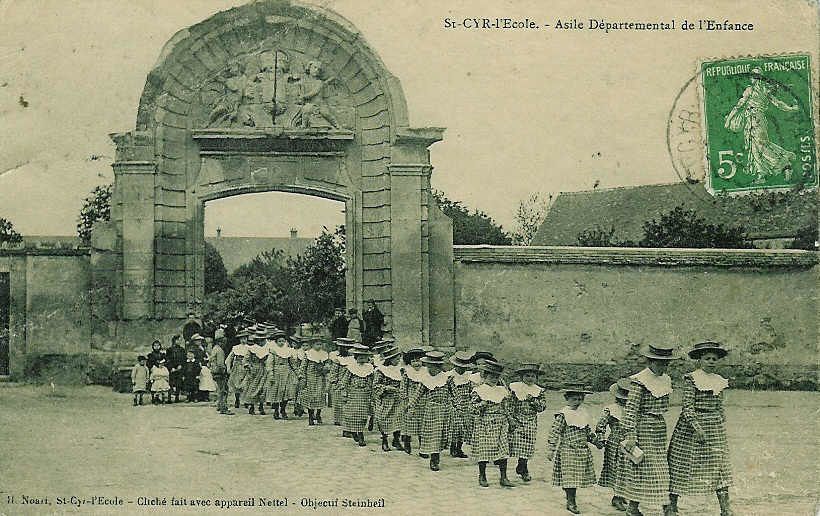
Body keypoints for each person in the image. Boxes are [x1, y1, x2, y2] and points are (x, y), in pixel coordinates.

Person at [667, 342, 734, 516]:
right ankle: (671, 506)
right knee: (680, 464)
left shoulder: (719, 380)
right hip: (691, 427)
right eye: (707, 358)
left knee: (720, 465)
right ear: (700, 360)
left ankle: (726, 509)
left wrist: (720, 420)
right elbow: (687, 407)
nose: (711, 362)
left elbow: (719, 404)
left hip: (714, 427)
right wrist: (697, 427)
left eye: (714, 359)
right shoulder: (692, 379)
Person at [615, 345, 680, 516]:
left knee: (653, 467)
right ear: (650, 361)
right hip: (642, 427)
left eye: (665, 363)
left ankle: (633, 508)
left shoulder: (666, 379)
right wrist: (630, 435)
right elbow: (630, 410)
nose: (662, 367)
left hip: (659, 428)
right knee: (648, 467)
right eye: (658, 363)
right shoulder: (639, 381)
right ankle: (666, 508)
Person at [547, 383, 602, 514]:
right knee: (570, 477)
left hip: (582, 451)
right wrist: (551, 449)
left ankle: (570, 495)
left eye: (580, 399)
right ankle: (571, 501)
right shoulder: (563, 414)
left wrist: (596, 442)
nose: (577, 402)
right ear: (567, 399)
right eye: (574, 399)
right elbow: (554, 432)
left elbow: (588, 431)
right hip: (568, 450)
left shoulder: (583, 413)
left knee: (576, 477)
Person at [471, 359, 516, 488]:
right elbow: (472, 408)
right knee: (484, 450)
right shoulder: (478, 391)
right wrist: (481, 405)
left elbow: (506, 407)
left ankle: (503, 476)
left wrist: (510, 420)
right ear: (485, 376)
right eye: (491, 376)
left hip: (501, 423)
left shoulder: (502, 390)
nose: (494, 379)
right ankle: (482, 475)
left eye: (496, 377)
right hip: (484, 423)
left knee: (503, 450)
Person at [508, 363, 548, 482]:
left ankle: (523, 467)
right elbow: (509, 403)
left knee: (527, 444)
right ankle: (518, 466)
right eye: (527, 376)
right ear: (521, 377)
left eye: (533, 376)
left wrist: (533, 401)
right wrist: (510, 418)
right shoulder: (515, 388)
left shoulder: (538, 391)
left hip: (530, 420)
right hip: (517, 419)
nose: (530, 378)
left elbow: (542, 407)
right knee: (516, 442)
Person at [413, 351, 452, 471]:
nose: (429, 369)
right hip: (430, 410)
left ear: (438, 367)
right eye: (428, 366)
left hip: (444, 410)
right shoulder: (425, 379)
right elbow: (417, 394)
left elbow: (455, 395)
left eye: (432, 367)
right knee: (432, 434)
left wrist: (459, 407)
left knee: (440, 435)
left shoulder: (447, 378)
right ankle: (433, 459)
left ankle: (436, 456)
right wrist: (411, 405)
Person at [596, 378, 631, 512]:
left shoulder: (632, 409)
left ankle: (622, 494)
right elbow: (601, 425)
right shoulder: (611, 410)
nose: (624, 400)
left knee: (627, 469)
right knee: (617, 469)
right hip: (615, 443)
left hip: (629, 441)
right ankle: (617, 497)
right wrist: (601, 438)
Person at [340, 344, 375, 446]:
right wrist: (344, 392)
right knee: (353, 414)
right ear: (356, 358)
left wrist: (372, 392)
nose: (362, 359)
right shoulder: (351, 368)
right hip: (353, 394)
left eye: (364, 357)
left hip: (365, 394)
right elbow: (344, 381)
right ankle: (355, 432)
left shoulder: (369, 368)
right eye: (360, 357)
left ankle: (360, 433)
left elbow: (372, 381)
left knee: (363, 415)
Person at [372, 344, 404, 451]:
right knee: (384, 418)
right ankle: (384, 440)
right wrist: (387, 388)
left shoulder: (401, 370)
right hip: (386, 399)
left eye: (399, 358)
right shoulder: (381, 370)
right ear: (390, 359)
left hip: (398, 399)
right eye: (396, 359)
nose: (398, 361)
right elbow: (376, 386)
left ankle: (396, 440)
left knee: (398, 419)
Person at [447, 350, 476, 459]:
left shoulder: (469, 377)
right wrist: (452, 402)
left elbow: (472, 391)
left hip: (466, 404)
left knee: (465, 427)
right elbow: (447, 391)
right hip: (453, 404)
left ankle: (459, 448)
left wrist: (471, 402)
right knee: (455, 426)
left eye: (464, 367)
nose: (462, 368)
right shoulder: (450, 376)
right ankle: (453, 447)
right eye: (460, 366)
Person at [399, 347, 426, 455]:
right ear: (410, 362)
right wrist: (404, 400)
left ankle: (423, 447)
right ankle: (407, 441)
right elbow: (403, 387)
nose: (416, 363)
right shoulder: (407, 373)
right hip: (410, 400)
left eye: (418, 360)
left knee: (423, 424)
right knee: (409, 422)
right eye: (413, 361)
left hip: (423, 401)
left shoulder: (426, 372)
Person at [299, 337, 329, 426]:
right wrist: (302, 375)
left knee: (320, 395)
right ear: (312, 345)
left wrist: (326, 368)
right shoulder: (308, 354)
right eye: (317, 344)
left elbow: (327, 364)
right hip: (310, 377)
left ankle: (318, 414)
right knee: (311, 396)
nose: (319, 346)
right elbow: (303, 365)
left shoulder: (324, 354)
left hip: (320, 377)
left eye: (320, 344)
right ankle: (310, 416)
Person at [266, 330, 295, 419]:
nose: (281, 343)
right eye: (279, 341)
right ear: (276, 342)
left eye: (283, 341)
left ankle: (283, 409)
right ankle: (276, 411)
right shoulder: (273, 351)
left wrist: (296, 372)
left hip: (287, 372)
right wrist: (271, 373)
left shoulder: (288, 351)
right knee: (276, 392)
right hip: (277, 373)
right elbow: (270, 363)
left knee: (285, 392)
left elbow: (292, 363)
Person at [329, 338, 355, 432]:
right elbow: (333, 373)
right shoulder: (337, 360)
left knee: (348, 405)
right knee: (338, 403)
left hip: (351, 384)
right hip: (339, 383)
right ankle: (338, 420)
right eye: (344, 348)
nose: (346, 350)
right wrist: (334, 382)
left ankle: (347, 423)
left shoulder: (353, 359)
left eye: (348, 348)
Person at [241, 329, 270, 415]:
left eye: (263, 340)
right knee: (253, 388)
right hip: (254, 370)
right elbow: (245, 359)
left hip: (264, 370)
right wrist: (248, 366)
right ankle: (252, 406)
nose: (262, 342)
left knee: (263, 388)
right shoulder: (252, 349)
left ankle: (261, 406)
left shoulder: (267, 349)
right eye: (260, 340)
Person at [209, 333, 233, 415]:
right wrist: (224, 371)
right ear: (220, 342)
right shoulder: (220, 351)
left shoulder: (214, 349)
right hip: (219, 372)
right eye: (223, 342)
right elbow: (220, 364)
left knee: (220, 389)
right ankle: (223, 407)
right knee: (223, 390)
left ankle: (220, 405)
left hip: (214, 371)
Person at [225, 329, 249, 409]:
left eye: (245, 338)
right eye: (242, 339)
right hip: (237, 367)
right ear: (239, 339)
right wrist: (228, 367)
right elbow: (229, 358)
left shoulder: (249, 348)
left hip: (246, 367)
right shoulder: (236, 348)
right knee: (236, 383)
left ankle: (246, 400)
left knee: (246, 384)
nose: (243, 340)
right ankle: (237, 400)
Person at [166, 335, 186, 403]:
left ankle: (177, 397)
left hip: (179, 369)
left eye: (180, 340)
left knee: (178, 383)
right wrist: (171, 367)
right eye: (178, 340)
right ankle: (169, 398)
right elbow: (168, 359)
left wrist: (181, 365)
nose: (179, 341)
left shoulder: (182, 350)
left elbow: (184, 359)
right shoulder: (169, 349)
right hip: (171, 369)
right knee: (170, 383)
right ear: (174, 340)